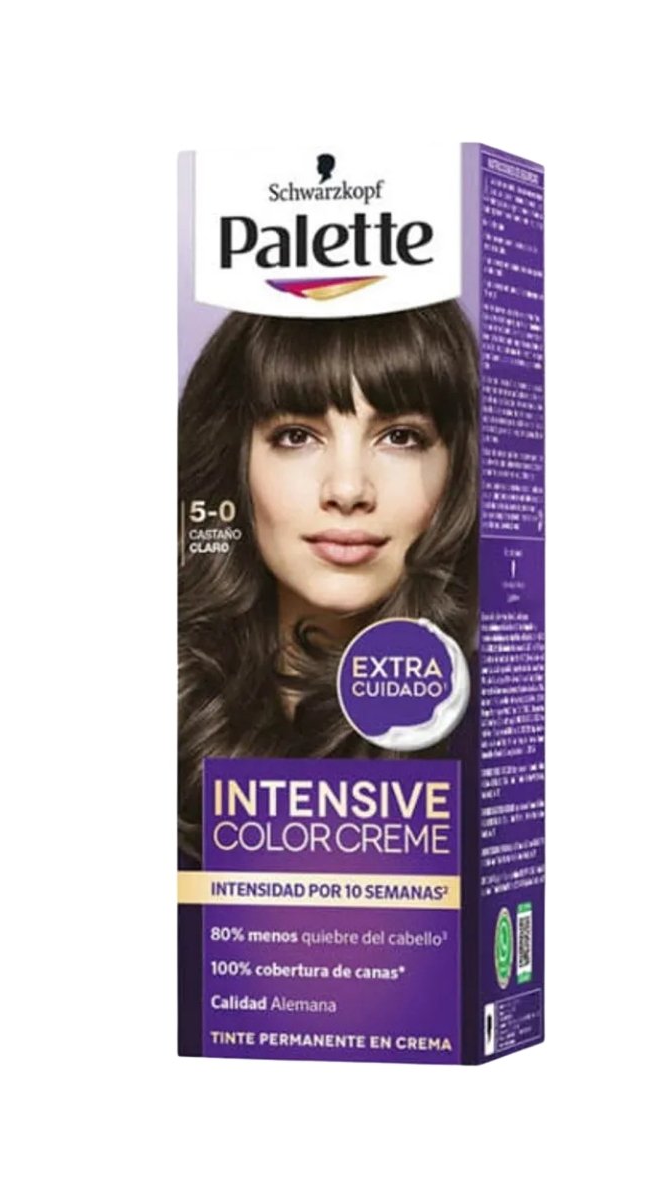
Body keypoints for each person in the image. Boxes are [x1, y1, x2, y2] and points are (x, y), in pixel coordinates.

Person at [177, 300, 478, 862]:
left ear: (459, 467)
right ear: (232, 459)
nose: (347, 489)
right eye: (296, 435)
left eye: (401, 437)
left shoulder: (490, 735)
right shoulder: (180, 706)